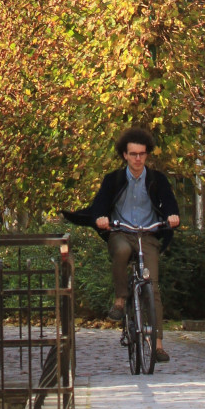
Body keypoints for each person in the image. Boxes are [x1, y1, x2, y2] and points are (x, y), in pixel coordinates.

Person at [66, 126, 180, 364]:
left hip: (147, 235)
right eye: (133, 154)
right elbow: (100, 205)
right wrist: (101, 218)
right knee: (121, 250)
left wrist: (172, 216)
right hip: (121, 231)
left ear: (147, 154)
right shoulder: (114, 180)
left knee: (154, 286)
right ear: (125, 155)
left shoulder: (157, 180)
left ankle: (158, 345)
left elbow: (170, 204)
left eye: (142, 154)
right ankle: (120, 299)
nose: (138, 159)